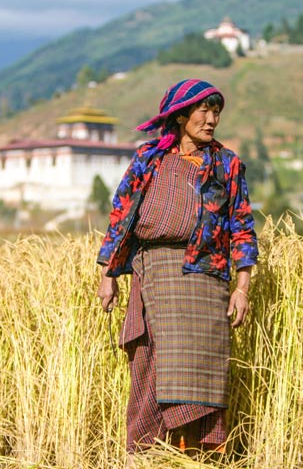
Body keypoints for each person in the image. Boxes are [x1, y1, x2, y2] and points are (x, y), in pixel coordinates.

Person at [96, 79, 258, 458]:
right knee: (150, 363)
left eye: (216, 112)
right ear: (180, 115)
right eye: (203, 111)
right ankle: (146, 456)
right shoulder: (149, 159)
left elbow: (242, 226)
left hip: (205, 278)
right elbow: (121, 216)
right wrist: (108, 275)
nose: (211, 119)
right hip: (153, 272)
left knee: (202, 369)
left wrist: (243, 287)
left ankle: (195, 457)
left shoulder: (226, 164)